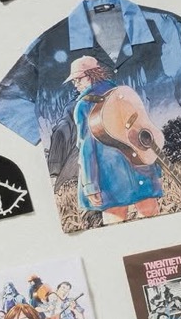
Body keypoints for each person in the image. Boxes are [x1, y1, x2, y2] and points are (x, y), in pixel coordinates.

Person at [68, 55, 164, 224]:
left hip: (109, 173)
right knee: (150, 213)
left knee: (116, 220)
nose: (75, 84)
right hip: (140, 164)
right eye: (74, 81)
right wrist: (156, 169)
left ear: (91, 74)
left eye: (78, 79)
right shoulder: (124, 93)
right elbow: (144, 131)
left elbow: (86, 147)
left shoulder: (84, 105)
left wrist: (90, 185)